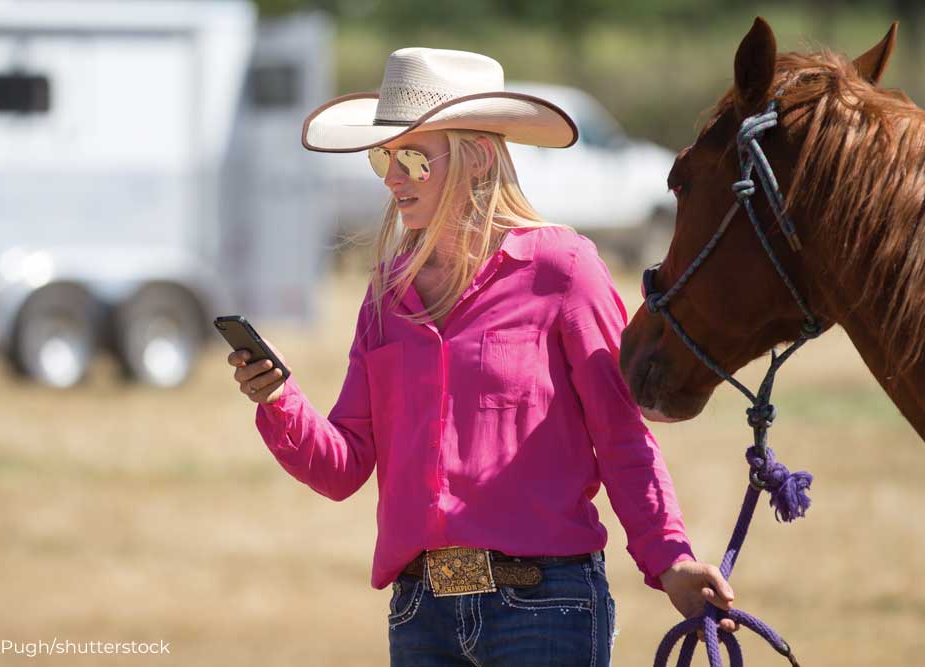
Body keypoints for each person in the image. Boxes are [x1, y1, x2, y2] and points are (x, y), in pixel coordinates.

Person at [229, 48, 736, 666]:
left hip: (547, 609)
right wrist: (278, 398)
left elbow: (623, 438)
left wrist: (672, 559)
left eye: (413, 156)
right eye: (384, 156)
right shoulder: (388, 296)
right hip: (421, 614)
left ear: (476, 158)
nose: (393, 177)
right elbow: (344, 468)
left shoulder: (563, 269)